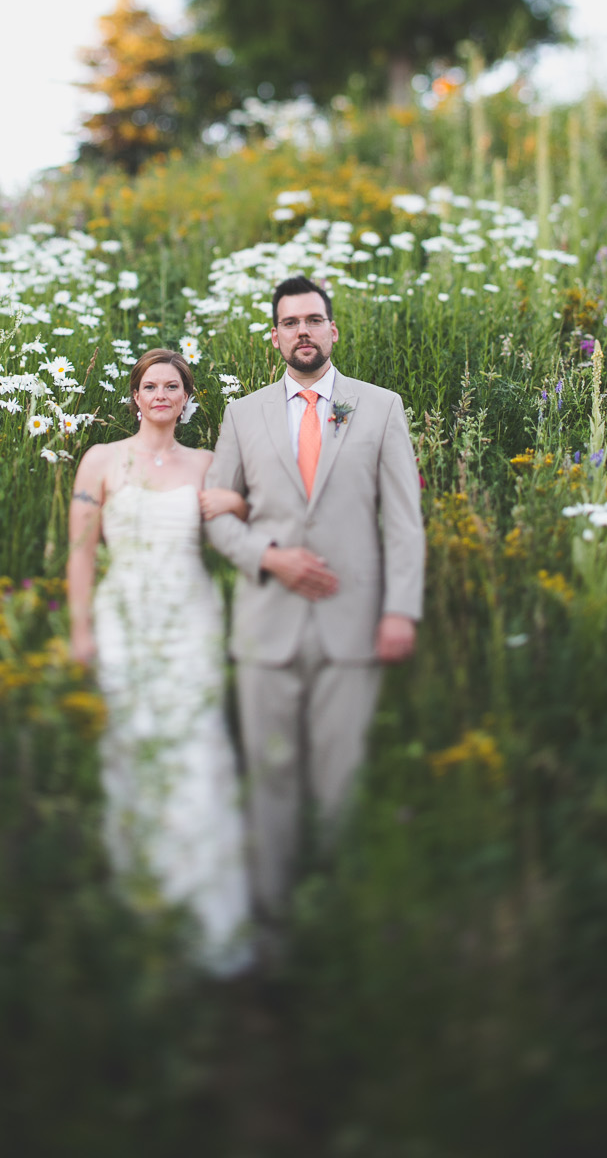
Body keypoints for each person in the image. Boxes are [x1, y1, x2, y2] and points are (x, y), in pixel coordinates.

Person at [203, 276, 425, 931]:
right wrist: (270, 557)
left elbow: (403, 522)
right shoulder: (243, 415)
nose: (302, 330)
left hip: (353, 626)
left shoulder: (380, 407)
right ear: (274, 336)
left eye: (313, 319)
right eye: (289, 321)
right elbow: (217, 516)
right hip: (266, 627)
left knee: (340, 786)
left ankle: (337, 932)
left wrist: (400, 611)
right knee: (270, 786)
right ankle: (273, 933)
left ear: (333, 331)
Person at [67, 348, 253, 976]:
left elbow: (254, 517)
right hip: (124, 616)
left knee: (194, 741)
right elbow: (81, 554)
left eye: (173, 386)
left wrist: (237, 505)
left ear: (187, 398)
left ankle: (202, 911)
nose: (161, 394)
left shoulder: (206, 465)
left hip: (190, 617)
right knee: (131, 740)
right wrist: (80, 629)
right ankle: (140, 904)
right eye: (150, 385)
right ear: (135, 396)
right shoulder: (101, 461)